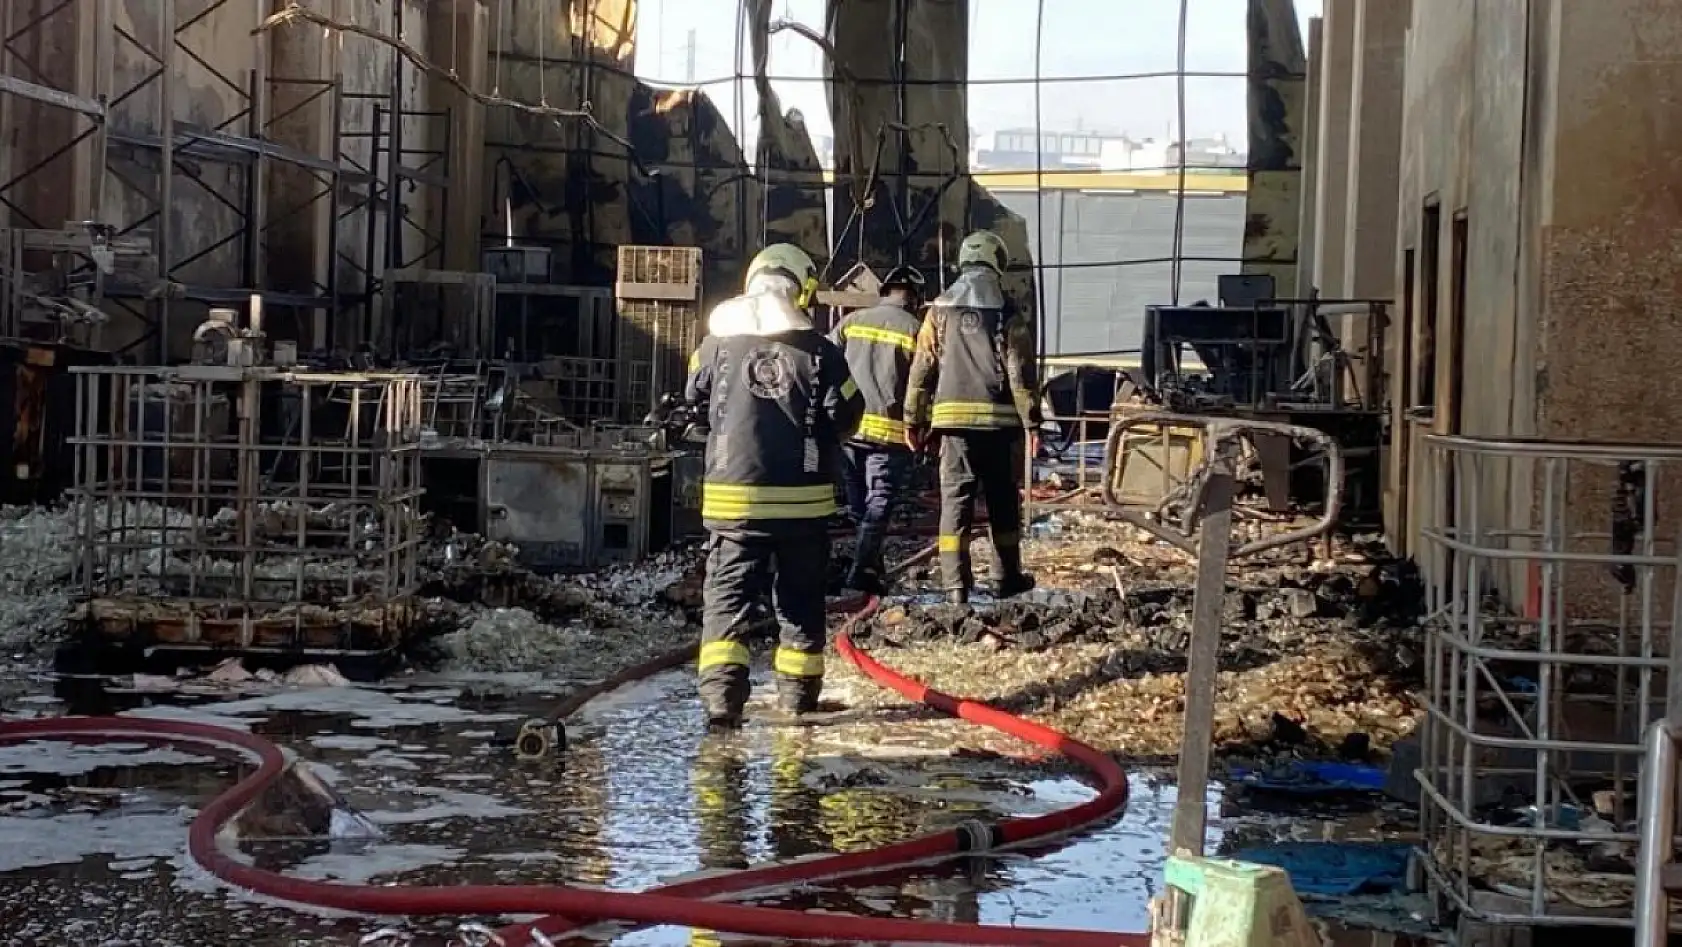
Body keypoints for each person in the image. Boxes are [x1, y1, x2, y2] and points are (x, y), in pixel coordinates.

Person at [684, 243, 864, 727]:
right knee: (801, 601)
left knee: (727, 601)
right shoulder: (822, 350)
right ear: (802, 289)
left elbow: (693, 398)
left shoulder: (713, 345)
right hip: (802, 507)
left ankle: (722, 703)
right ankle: (796, 698)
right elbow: (848, 413)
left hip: (733, 504)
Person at [904, 229, 1041, 605]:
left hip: (952, 426)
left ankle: (955, 588)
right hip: (999, 427)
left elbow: (922, 369)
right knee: (1002, 503)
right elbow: (1019, 371)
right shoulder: (1007, 310)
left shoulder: (939, 310)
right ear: (997, 263)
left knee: (955, 503)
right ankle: (1005, 578)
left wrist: (913, 421)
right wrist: (1032, 422)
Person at [828, 264, 927, 593]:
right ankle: (859, 573)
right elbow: (923, 384)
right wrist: (922, 427)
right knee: (879, 502)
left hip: (849, 432)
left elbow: (824, 363)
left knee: (860, 508)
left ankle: (871, 569)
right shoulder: (916, 330)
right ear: (914, 297)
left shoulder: (852, 322)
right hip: (890, 436)